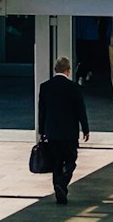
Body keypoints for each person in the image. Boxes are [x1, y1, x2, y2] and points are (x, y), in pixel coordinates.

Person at [36, 55, 90, 205]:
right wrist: (85, 129)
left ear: (55, 70)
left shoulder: (45, 87)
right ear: (68, 71)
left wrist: (42, 130)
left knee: (57, 162)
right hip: (69, 133)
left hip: (52, 132)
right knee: (71, 160)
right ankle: (63, 182)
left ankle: (58, 188)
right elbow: (80, 110)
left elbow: (42, 111)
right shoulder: (73, 87)